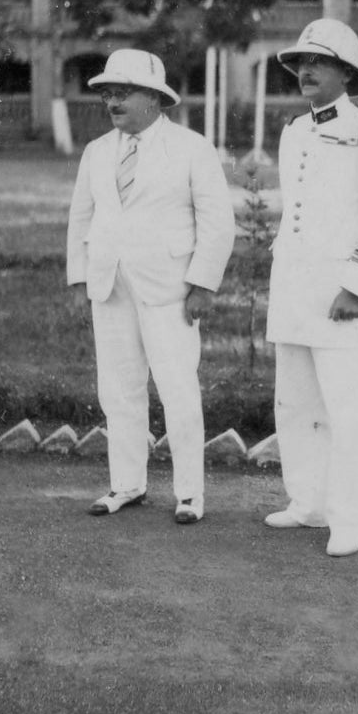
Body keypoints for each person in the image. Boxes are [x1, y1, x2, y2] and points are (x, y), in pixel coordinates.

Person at [67, 48, 236, 525]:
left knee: (178, 387)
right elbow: (81, 216)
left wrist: (202, 283)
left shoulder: (190, 148)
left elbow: (218, 222)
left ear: (156, 99)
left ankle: (189, 494)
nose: (113, 100)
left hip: (169, 288)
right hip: (111, 285)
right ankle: (127, 483)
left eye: (125, 91)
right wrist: (81, 277)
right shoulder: (98, 152)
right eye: (107, 92)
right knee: (117, 388)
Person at [264, 18, 358, 558]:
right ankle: (308, 503)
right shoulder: (294, 131)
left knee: (347, 413)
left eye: (318, 62)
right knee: (296, 404)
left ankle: (351, 520)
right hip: (296, 291)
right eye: (300, 62)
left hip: (344, 296)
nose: (305, 70)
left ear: (346, 74)